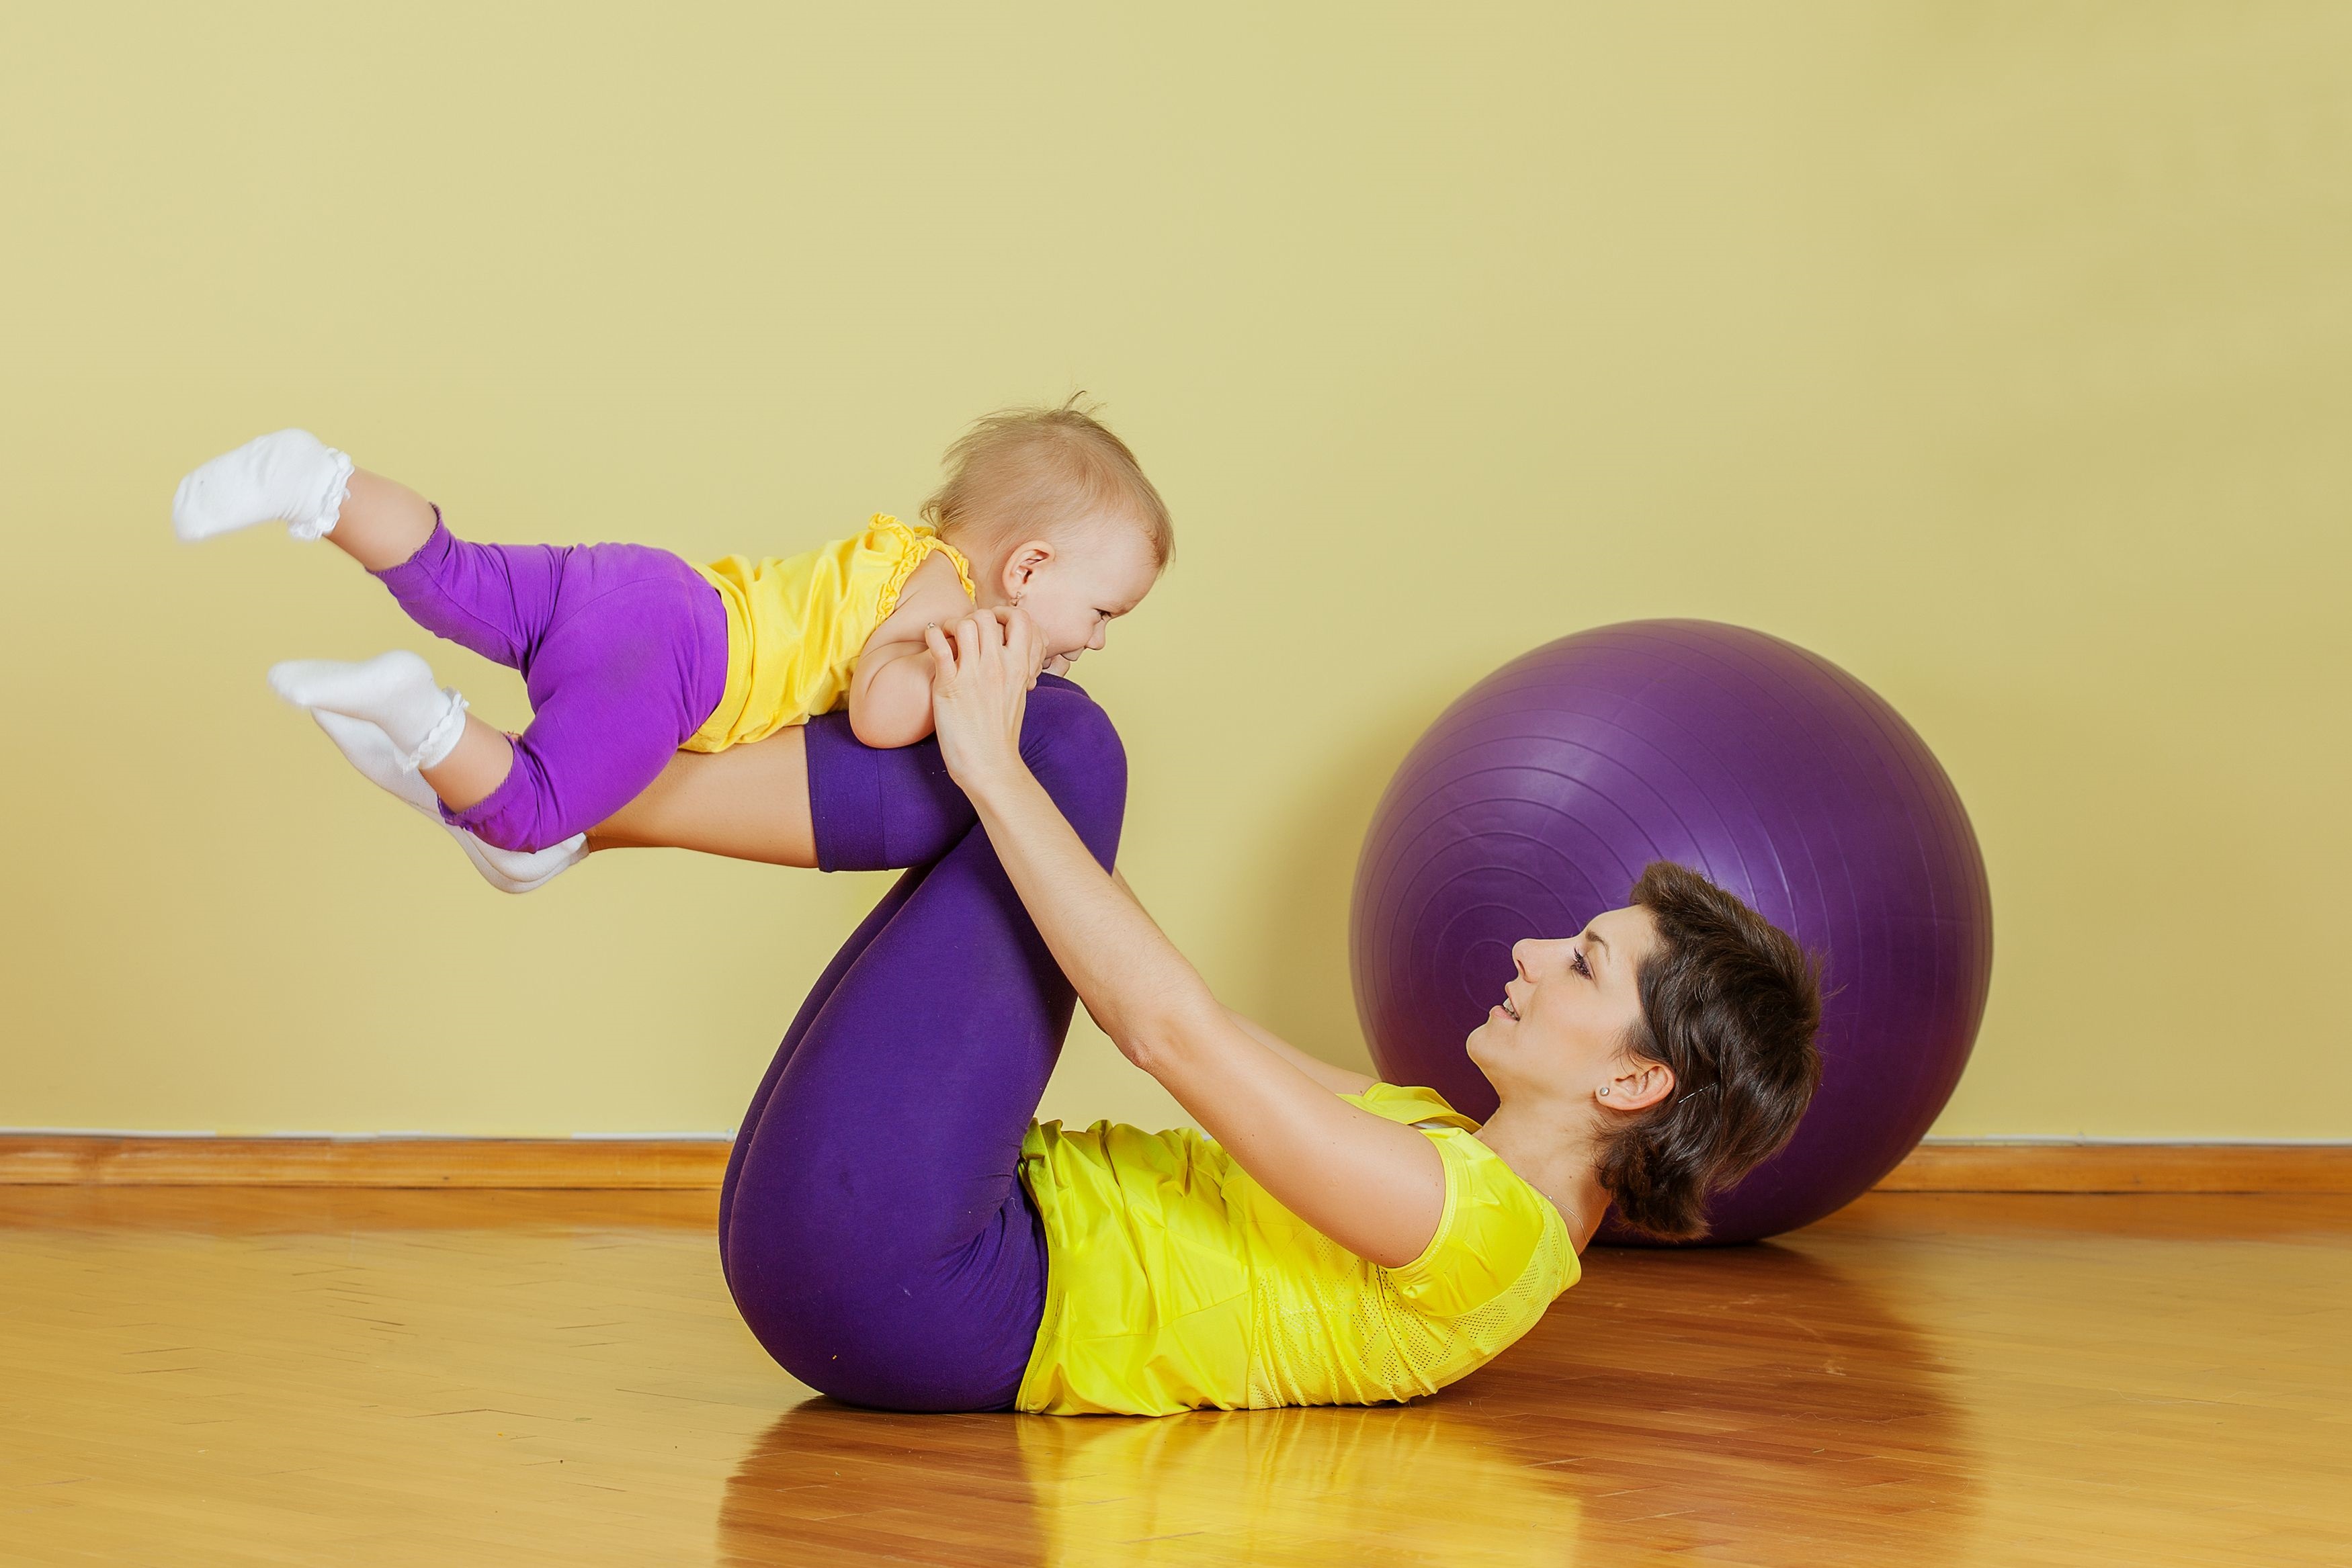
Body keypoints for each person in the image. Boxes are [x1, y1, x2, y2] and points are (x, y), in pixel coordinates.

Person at [585, 607, 1824, 1416]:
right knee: (1046, 768)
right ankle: (588, 808)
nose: (1532, 949)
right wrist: (1017, 789)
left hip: (915, 1277)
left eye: (1586, 964)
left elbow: (1168, 1036)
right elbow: (1193, 1004)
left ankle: (585, 803)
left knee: (1055, 751)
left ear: (1633, 1083)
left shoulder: (1480, 1231)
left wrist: (1005, 767)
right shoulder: (1446, 1153)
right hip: (888, 1248)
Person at [167, 401, 1169, 892]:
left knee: (453, 572)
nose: (1094, 641)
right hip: (677, 667)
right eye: (1103, 612)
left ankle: (319, 484)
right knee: (530, 818)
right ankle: (416, 712)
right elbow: (876, 708)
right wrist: (978, 677)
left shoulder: (912, 553)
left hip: (651, 587)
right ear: (1028, 568)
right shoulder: (945, 599)